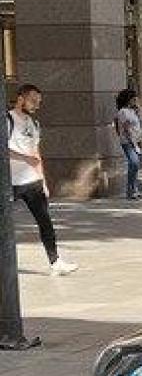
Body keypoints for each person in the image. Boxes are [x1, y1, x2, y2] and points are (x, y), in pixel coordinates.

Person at [6, 84, 76, 275]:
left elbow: (37, 154)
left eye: (38, 102)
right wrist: (24, 158)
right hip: (10, 182)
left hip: (32, 182)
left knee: (45, 222)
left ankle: (55, 262)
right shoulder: (7, 120)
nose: (37, 105)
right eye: (33, 101)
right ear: (21, 98)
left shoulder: (33, 124)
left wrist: (42, 180)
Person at [113, 88, 142, 201]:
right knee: (134, 163)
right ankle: (130, 190)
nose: (135, 100)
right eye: (133, 98)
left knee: (135, 166)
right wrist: (132, 141)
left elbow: (139, 124)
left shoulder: (133, 111)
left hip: (137, 140)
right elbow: (125, 128)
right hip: (129, 142)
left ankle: (134, 189)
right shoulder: (123, 112)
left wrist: (138, 112)